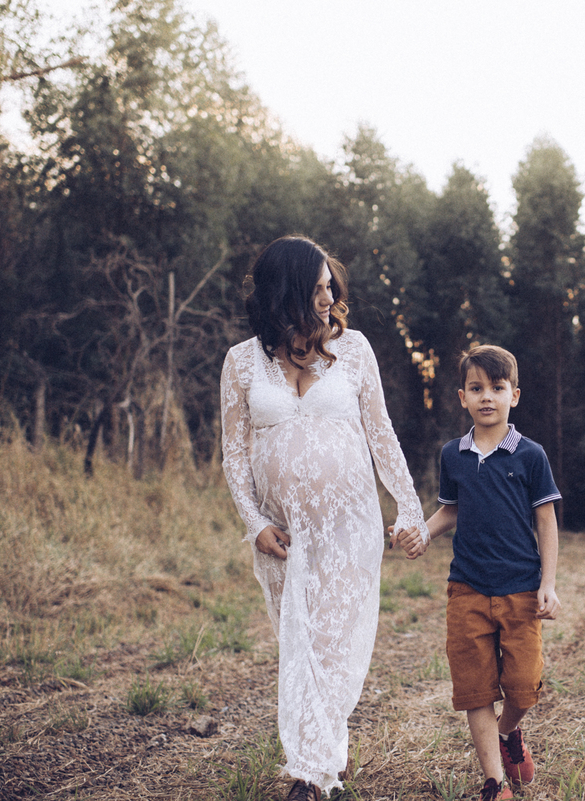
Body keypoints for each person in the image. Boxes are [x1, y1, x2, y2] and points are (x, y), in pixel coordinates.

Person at [219, 236, 428, 801]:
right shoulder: (241, 362)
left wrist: (409, 507)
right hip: (283, 534)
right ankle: (325, 754)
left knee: (337, 642)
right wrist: (253, 522)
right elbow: (234, 452)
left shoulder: (354, 348)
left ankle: (308, 777)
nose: (328, 297)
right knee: (302, 644)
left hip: (350, 524)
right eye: (315, 289)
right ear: (285, 293)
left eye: (330, 286)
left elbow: (381, 436)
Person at [395, 345, 561, 801]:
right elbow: (451, 509)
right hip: (466, 587)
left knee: (523, 689)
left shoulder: (530, 455)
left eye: (497, 387)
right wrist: (423, 533)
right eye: (476, 388)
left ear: (515, 395)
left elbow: (545, 521)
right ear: (462, 397)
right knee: (475, 691)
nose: (487, 396)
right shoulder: (453, 454)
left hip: (521, 589)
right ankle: (495, 782)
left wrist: (547, 583)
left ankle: (511, 733)